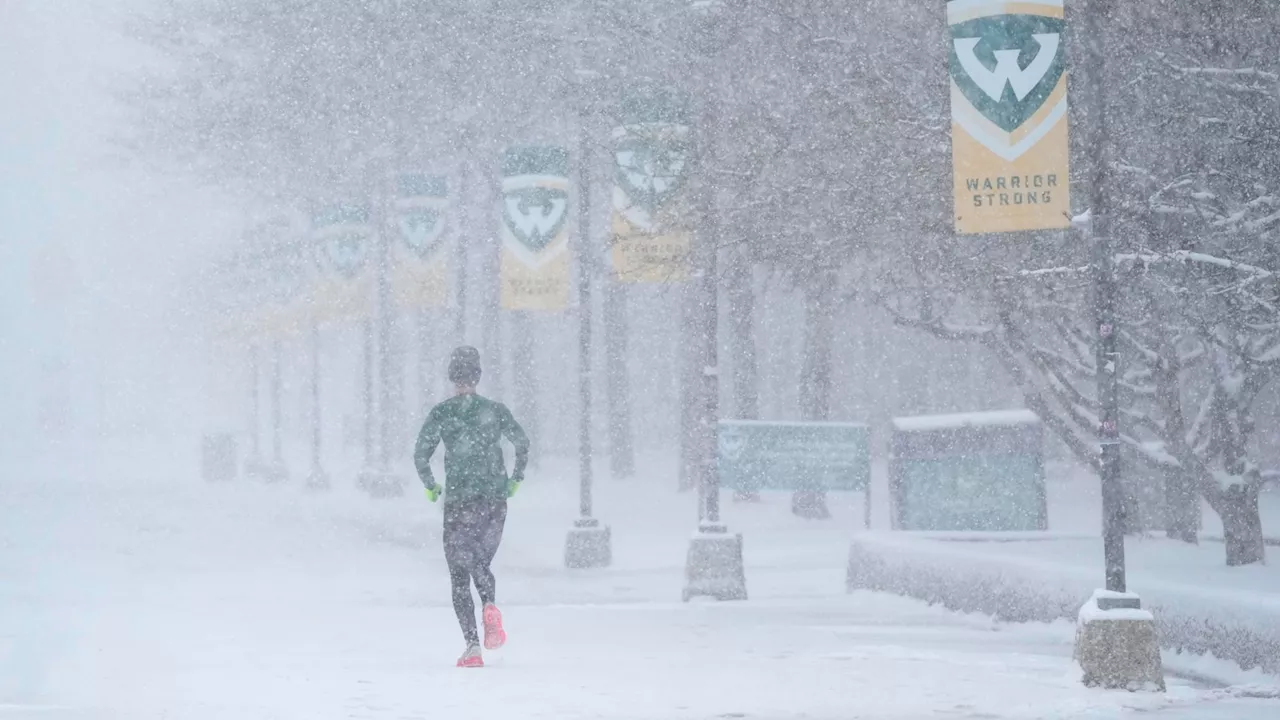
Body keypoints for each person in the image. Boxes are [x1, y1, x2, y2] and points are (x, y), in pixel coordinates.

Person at [414, 346, 530, 668]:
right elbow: (522, 443)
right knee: (480, 559)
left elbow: (420, 454)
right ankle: (490, 604)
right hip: (495, 501)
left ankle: (472, 647)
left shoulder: (443, 413)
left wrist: (431, 485)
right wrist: (515, 479)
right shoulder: (495, 411)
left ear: (453, 377)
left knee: (458, 573)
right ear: (477, 376)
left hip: (460, 501)